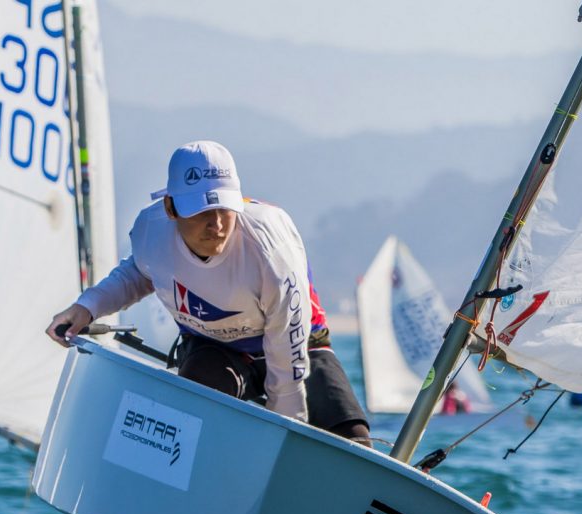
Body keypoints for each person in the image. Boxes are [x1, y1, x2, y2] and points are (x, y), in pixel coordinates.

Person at [46, 140, 370, 446]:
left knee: (353, 439)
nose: (215, 224)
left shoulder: (271, 250)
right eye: (200, 211)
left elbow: (287, 364)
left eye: (224, 209)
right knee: (193, 411)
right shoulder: (151, 231)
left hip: (297, 341)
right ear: (171, 208)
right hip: (216, 348)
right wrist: (85, 308)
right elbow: (137, 275)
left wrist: (281, 445)